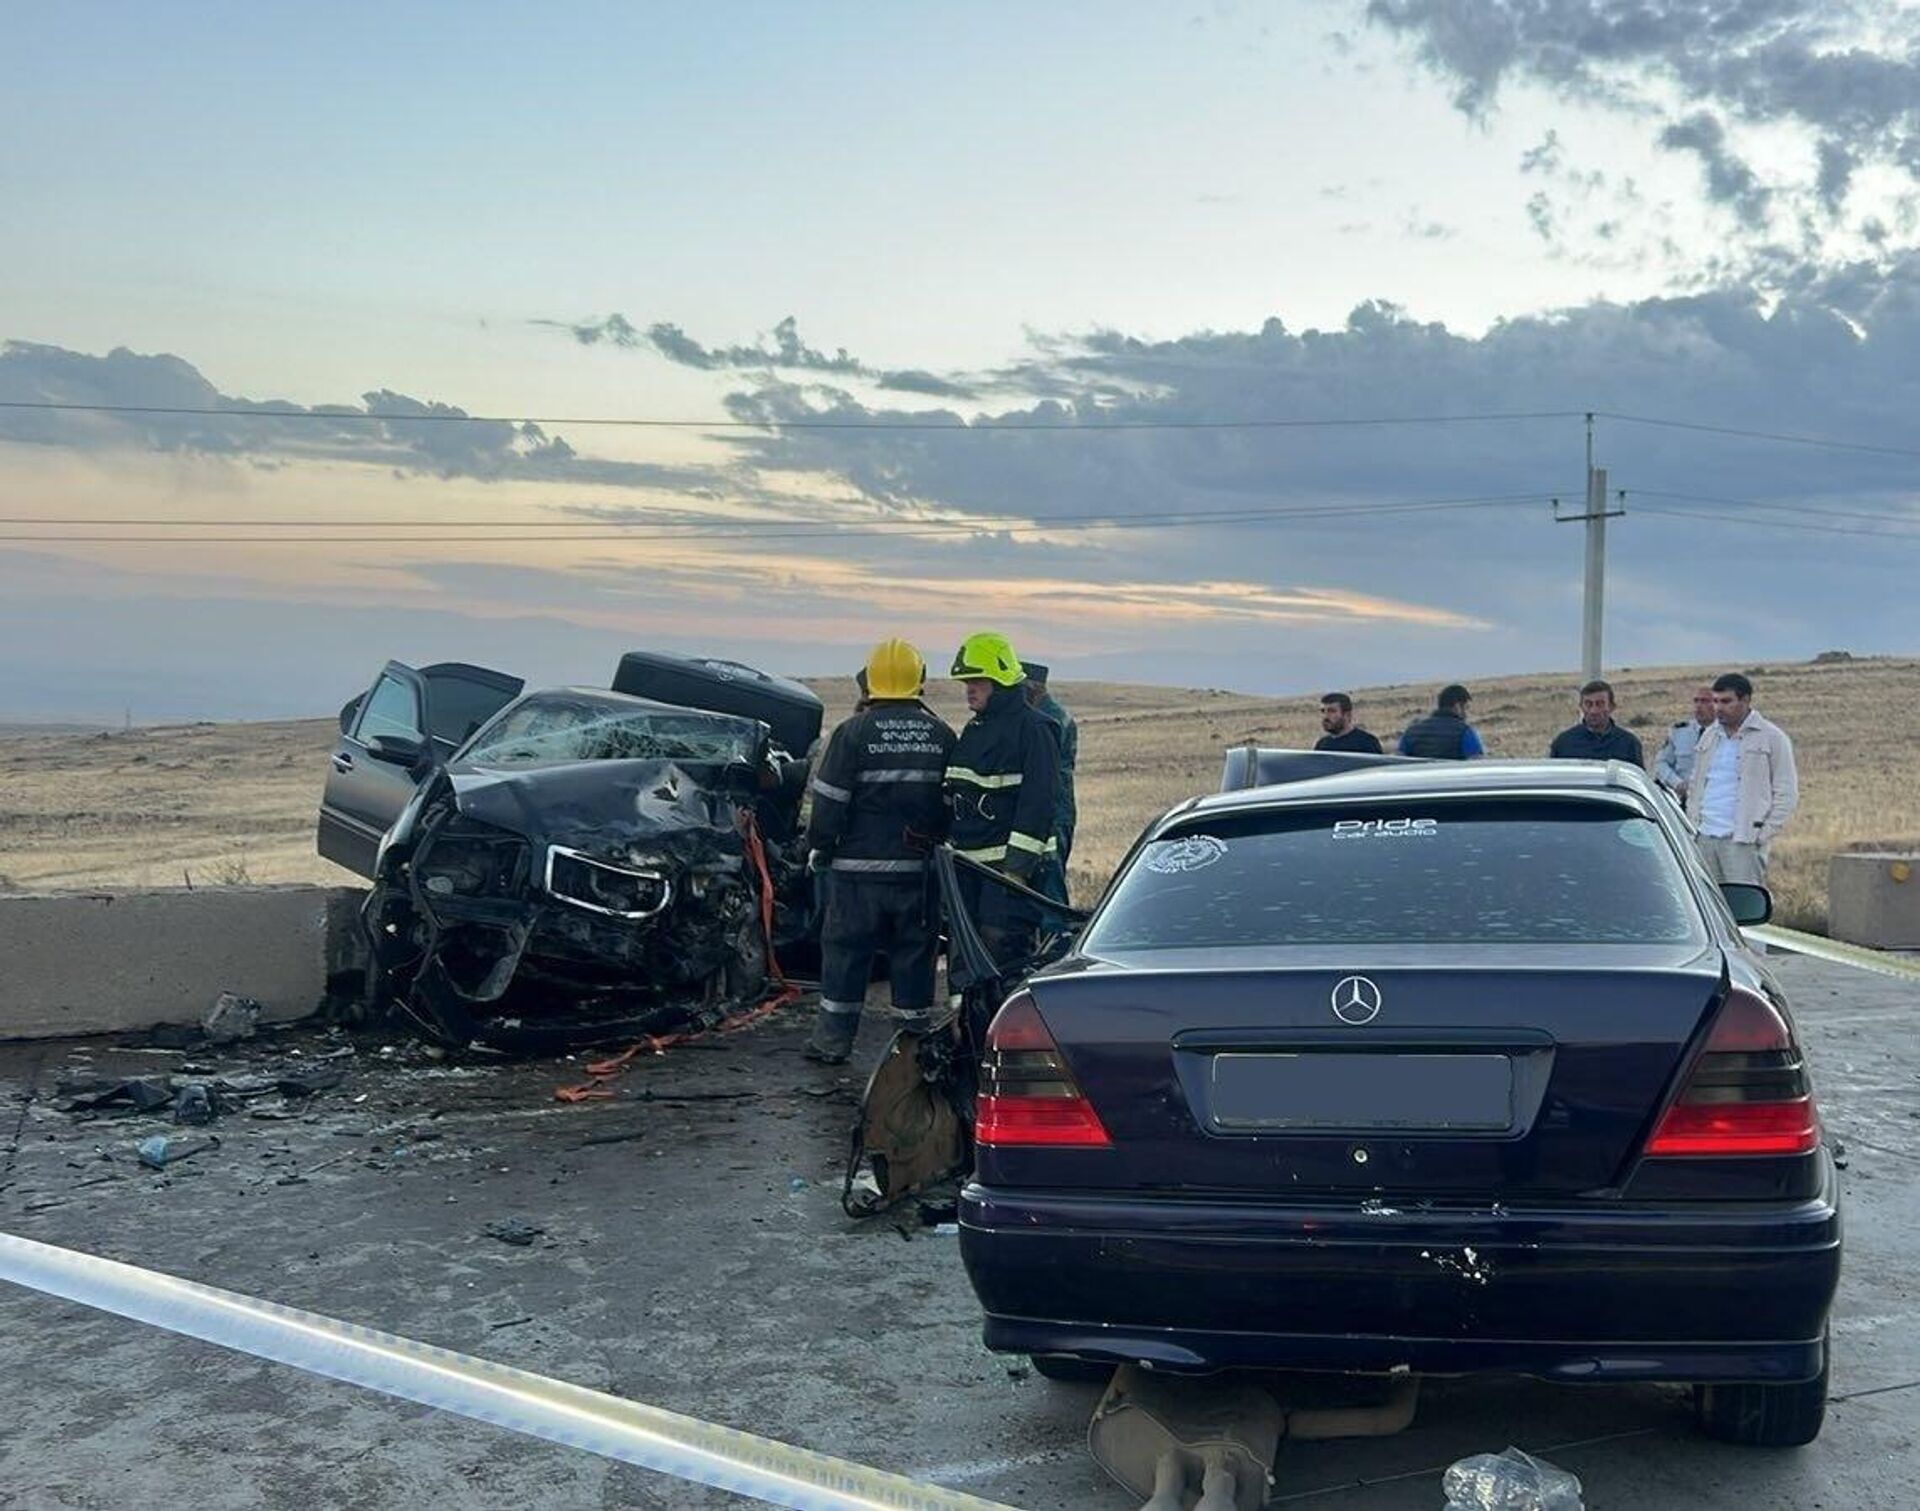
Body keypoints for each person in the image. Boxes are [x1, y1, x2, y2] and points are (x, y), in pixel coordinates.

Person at [802, 638, 955, 1064]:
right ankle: (912, 1050)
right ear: (918, 681)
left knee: (846, 957)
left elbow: (828, 807)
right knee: (914, 957)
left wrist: (819, 848)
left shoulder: (852, 734)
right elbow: (948, 807)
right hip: (918, 879)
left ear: (869, 682)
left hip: (855, 879)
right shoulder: (942, 735)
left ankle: (831, 1044)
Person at [944, 631, 1060, 970]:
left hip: (1006, 877)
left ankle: (1001, 1021)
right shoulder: (974, 730)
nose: (969, 688)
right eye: (966, 681)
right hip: (968, 869)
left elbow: (1039, 803)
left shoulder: (1036, 729)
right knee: (964, 954)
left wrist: (1017, 870)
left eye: (977, 680)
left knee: (1003, 953)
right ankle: (965, 1020)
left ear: (1000, 681)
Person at [1685, 672, 1799, 885]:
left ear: (1745, 700)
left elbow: (1786, 794)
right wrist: (1693, 827)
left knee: (1745, 909)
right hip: (1704, 837)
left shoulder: (1772, 737)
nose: (1719, 708)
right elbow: (1697, 784)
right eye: (1716, 701)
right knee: (1706, 909)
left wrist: (1761, 836)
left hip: (1742, 841)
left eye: (1726, 701)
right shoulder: (1709, 735)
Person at [1021, 660, 1077, 903]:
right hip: (1061, 808)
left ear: (1032, 688)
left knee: (1050, 882)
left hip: (1053, 812)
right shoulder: (1059, 715)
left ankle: (1057, 935)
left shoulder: (1046, 720)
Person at [1547, 679, 1645, 765]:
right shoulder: (1564, 743)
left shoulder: (1629, 744)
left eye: (1600, 704)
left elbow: (1636, 781)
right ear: (1581, 706)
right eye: (1588, 704)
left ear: (1611, 707)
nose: (1594, 711)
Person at [1654, 685, 1716, 800]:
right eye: (1696, 701)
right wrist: (1677, 783)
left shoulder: (1725, 735)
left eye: (1705, 701)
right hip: (1683, 799)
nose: (1698, 705)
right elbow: (1661, 763)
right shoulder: (1679, 732)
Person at [1397, 684, 1485, 760]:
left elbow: (1399, 762)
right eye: (1467, 708)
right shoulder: (1465, 732)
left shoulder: (1411, 732)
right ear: (1457, 706)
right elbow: (1476, 765)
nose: (1467, 714)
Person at [1314, 692, 1383, 754]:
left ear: (1347, 714)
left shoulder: (1367, 742)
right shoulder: (1322, 745)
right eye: (1323, 711)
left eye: (1332, 711)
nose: (1325, 716)